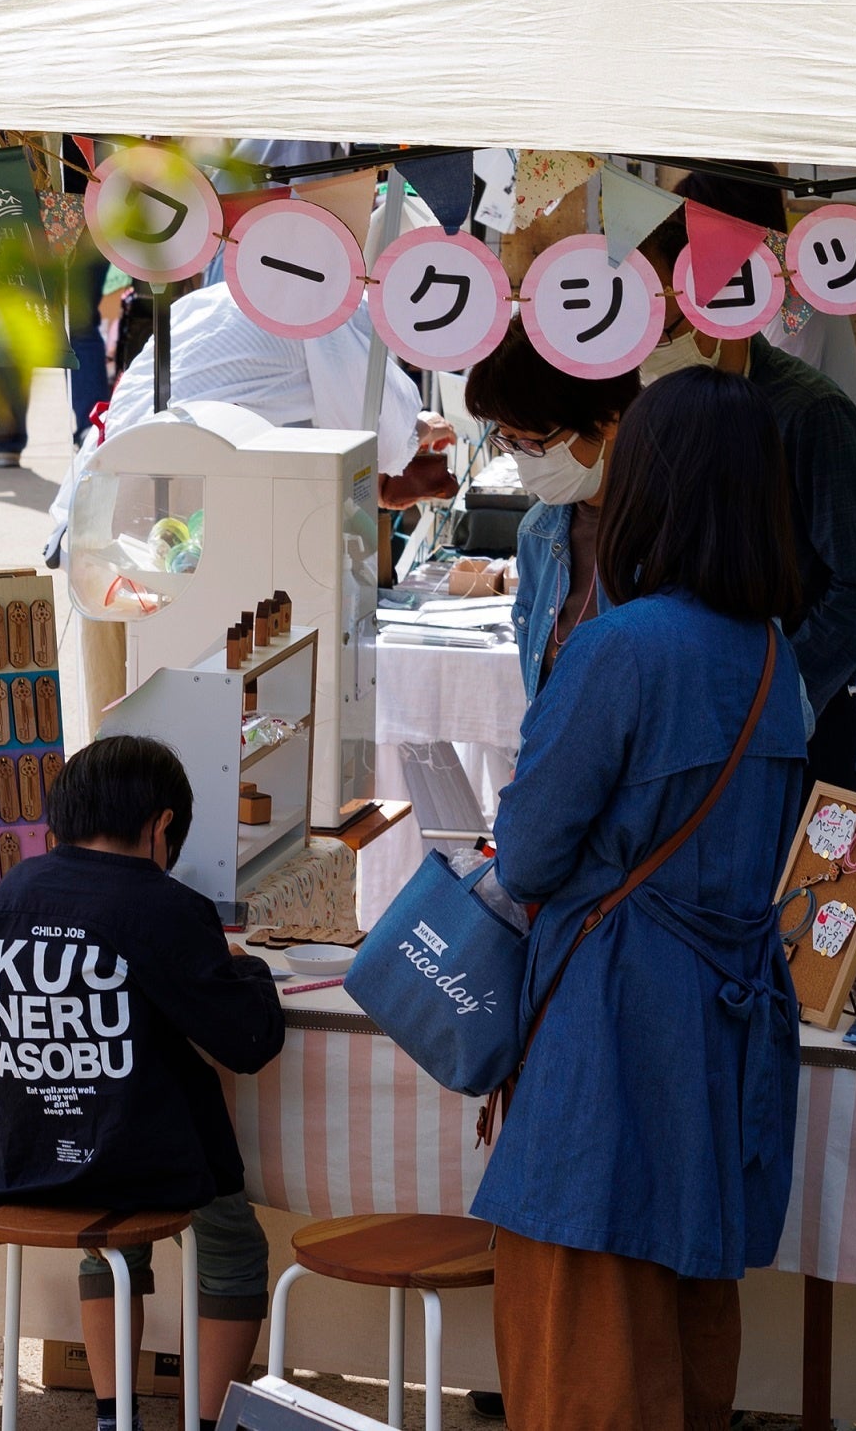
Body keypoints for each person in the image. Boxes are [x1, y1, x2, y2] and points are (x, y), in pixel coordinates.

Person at [471, 366, 808, 1431]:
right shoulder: (772, 656)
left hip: (606, 1033)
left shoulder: (621, 646)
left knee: (580, 1343)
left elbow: (525, 852)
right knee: (685, 1341)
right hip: (719, 1030)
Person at [0, 734, 284, 1431]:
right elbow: (247, 1041)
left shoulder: (13, 891)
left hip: (33, 1159)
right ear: (162, 824)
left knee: (107, 1238)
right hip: (142, 1157)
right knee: (231, 1244)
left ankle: (114, 1418)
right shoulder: (163, 906)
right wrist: (247, 971)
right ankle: (202, 1422)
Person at [646, 173, 856, 793]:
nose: (648, 337)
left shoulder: (811, 414)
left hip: (797, 722)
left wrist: (779, 692)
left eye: (663, 314)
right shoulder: (656, 403)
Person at [61, 280, 454, 514]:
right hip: (154, 495)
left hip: (104, 476)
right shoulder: (338, 319)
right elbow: (380, 439)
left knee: (123, 640)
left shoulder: (230, 293)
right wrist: (419, 429)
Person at [461, 322, 640, 701]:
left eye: (533, 441)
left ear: (607, 420)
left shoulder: (675, 534)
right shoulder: (538, 534)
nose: (523, 457)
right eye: (508, 440)